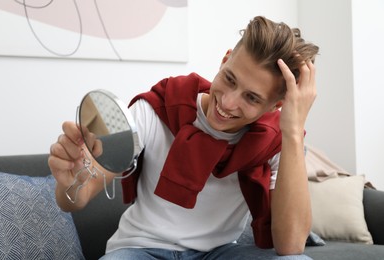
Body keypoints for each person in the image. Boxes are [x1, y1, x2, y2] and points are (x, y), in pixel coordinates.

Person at [48, 16, 319, 259]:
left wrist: (294, 132)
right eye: (230, 79)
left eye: (251, 98)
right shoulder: (156, 110)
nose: (228, 101)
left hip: (220, 253)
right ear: (225, 60)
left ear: (276, 106)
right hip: (141, 250)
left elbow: (291, 246)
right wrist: (69, 181)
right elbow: (78, 197)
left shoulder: (275, 140)